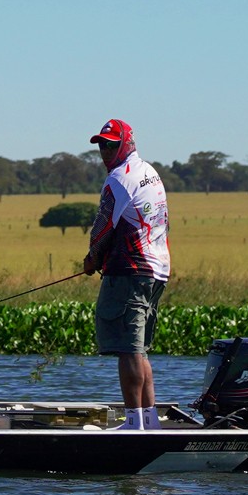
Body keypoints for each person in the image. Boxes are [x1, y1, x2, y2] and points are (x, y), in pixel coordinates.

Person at [81, 118, 171, 430]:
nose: (105, 151)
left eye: (111, 144)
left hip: (131, 271)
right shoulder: (150, 173)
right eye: (101, 145)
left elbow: (103, 227)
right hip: (157, 269)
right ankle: (148, 421)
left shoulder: (119, 179)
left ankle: (135, 423)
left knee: (128, 349)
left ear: (127, 144)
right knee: (139, 350)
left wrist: (92, 258)